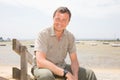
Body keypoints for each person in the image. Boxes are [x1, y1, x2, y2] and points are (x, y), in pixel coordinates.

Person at [32, 7, 97, 80]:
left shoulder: (70, 37)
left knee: (89, 73)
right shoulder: (43, 34)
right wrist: (66, 73)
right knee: (46, 75)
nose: (60, 22)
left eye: (64, 20)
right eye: (57, 19)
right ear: (53, 18)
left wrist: (75, 76)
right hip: (43, 68)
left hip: (61, 66)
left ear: (68, 22)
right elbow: (40, 62)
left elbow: (74, 60)